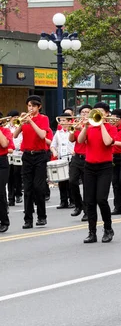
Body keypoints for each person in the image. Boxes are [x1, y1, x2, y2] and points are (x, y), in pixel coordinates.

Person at [78, 102, 118, 243]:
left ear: (107, 114)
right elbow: (80, 140)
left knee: (101, 199)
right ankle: (92, 232)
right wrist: (86, 126)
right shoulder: (88, 127)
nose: (98, 114)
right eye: (96, 112)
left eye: (101, 112)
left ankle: (108, 229)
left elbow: (108, 142)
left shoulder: (110, 128)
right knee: (89, 201)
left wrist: (101, 124)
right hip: (89, 166)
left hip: (105, 167)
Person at [14, 95, 50, 229]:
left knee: (38, 187)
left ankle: (42, 217)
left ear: (39, 107)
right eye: (29, 106)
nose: (31, 108)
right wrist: (21, 123)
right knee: (27, 189)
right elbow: (15, 135)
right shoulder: (25, 120)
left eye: (33, 106)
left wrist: (31, 121)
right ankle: (27, 219)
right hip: (27, 155)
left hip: (40, 155)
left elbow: (42, 135)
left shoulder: (43, 119)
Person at [68, 105, 91, 219]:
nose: (84, 114)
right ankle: (78, 205)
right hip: (77, 157)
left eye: (87, 112)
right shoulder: (77, 124)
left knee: (87, 186)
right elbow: (71, 139)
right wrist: (73, 130)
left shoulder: (93, 125)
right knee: (72, 181)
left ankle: (87, 211)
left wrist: (82, 129)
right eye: (82, 112)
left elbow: (89, 140)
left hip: (88, 157)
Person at [50, 114, 74, 209]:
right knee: (62, 181)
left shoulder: (73, 131)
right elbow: (53, 145)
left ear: (69, 121)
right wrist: (54, 151)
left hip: (71, 159)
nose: (62, 123)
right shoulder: (58, 133)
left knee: (71, 181)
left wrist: (74, 151)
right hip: (61, 159)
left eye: (64, 120)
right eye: (60, 121)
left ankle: (72, 200)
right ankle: (63, 201)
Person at [0, 119, 15, 232]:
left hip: (1, 163)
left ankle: (4, 221)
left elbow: (5, 144)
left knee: (0, 192)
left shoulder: (5, 131)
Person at [7, 110, 23, 206]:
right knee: (9, 176)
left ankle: (18, 194)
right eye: (14, 117)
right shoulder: (6, 127)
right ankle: (11, 198)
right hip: (9, 153)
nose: (16, 119)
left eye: (17, 117)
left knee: (18, 174)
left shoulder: (20, 127)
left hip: (18, 152)